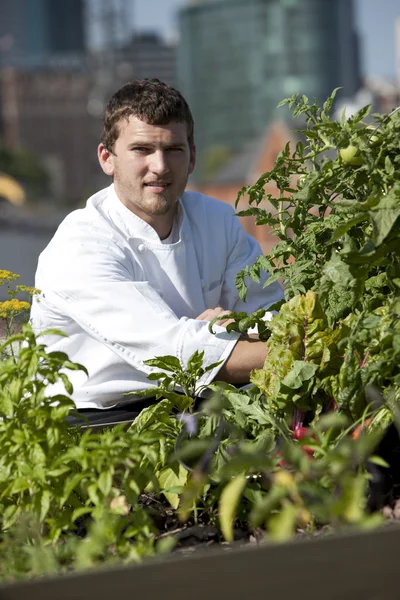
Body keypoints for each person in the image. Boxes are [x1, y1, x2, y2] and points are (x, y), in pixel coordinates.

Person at [30, 79, 283, 424]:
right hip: (94, 424)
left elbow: (271, 313)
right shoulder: (82, 244)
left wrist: (230, 329)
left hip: (196, 406)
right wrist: (307, 350)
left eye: (174, 150)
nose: (160, 166)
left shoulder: (217, 220)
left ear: (192, 157)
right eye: (142, 150)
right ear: (108, 159)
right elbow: (174, 354)